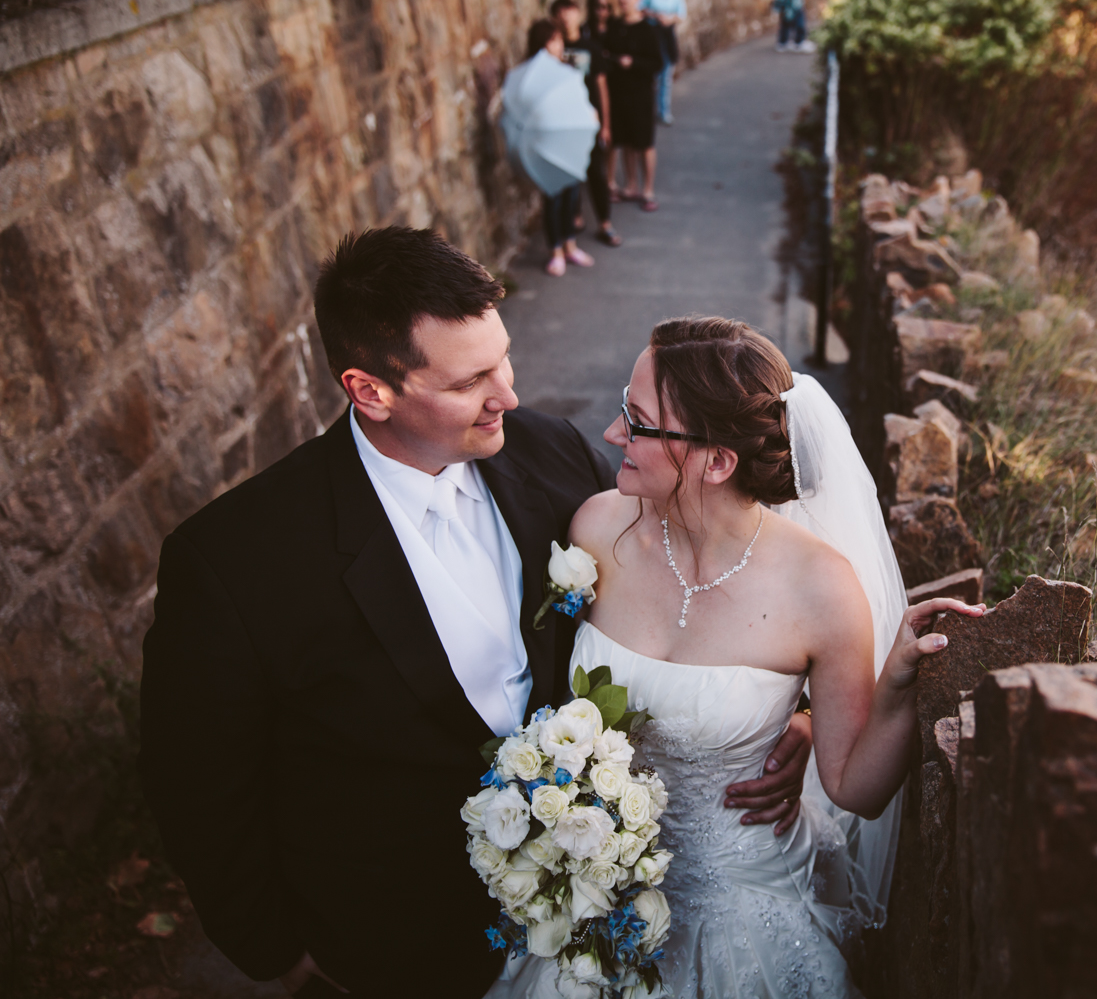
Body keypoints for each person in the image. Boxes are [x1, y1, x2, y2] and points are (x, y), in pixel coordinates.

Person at [138, 233, 815, 999]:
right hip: (388, 948)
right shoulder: (236, 562)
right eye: (471, 381)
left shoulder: (552, 453)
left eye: (503, 357)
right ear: (369, 390)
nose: (509, 394)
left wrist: (781, 708)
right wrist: (276, 954)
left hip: (589, 926)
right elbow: (197, 786)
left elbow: (700, 564)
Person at [518, 316, 985, 998]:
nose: (614, 434)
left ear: (716, 461)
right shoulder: (596, 527)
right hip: (598, 891)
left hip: (743, 900)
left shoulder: (820, 588)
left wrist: (896, 686)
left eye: (638, 421)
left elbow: (854, 786)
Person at [520, 18, 596, 276]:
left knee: (571, 196)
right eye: (555, 40)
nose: (560, 44)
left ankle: (570, 245)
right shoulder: (531, 76)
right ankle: (555, 250)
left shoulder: (566, 70)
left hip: (569, 141)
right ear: (543, 44)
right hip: (545, 144)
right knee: (553, 198)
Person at [553, 0, 621, 248]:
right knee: (571, 174)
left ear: (578, 15)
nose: (566, 17)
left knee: (596, 173)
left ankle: (605, 223)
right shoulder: (552, 50)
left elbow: (602, 87)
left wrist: (606, 124)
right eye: (561, 12)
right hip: (564, 124)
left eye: (570, 11)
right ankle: (575, 218)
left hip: (589, 121)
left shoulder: (590, 48)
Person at [604, 0, 665, 211]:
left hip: (641, 94)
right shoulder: (615, 27)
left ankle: (648, 189)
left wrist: (634, 63)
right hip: (619, 94)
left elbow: (657, 63)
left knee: (645, 144)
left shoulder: (648, 30)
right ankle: (631, 184)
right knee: (626, 142)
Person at [641, 0, 687, 125]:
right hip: (652, 33)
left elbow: (681, 14)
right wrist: (655, 15)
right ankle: (649, 109)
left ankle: (664, 110)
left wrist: (669, 18)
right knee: (652, 73)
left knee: (666, 74)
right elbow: (640, 8)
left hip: (667, 35)